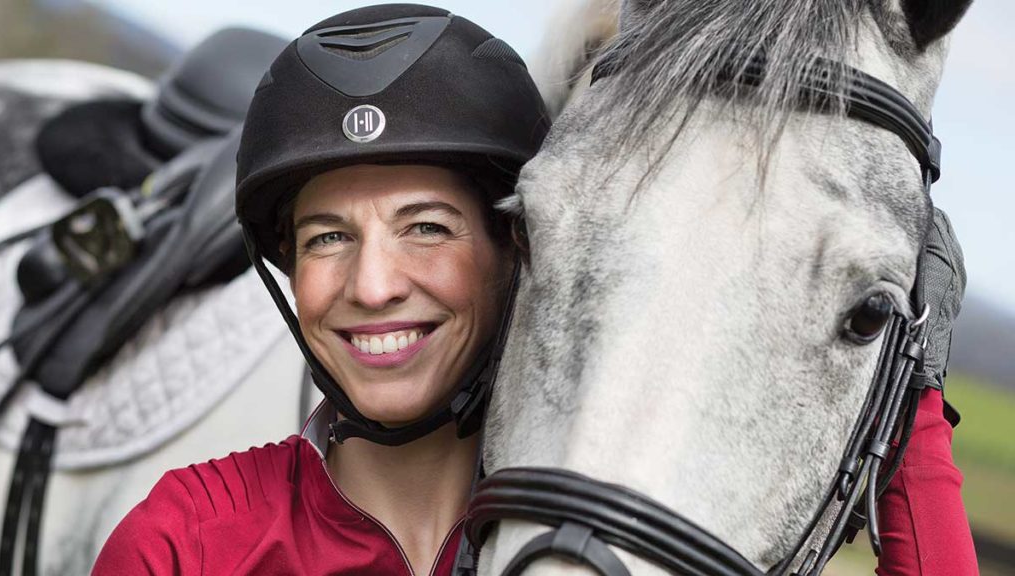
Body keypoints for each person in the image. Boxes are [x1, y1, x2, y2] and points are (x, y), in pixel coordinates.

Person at [91, 4, 976, 575]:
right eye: (328, 238)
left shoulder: (613, 520)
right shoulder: (181, 544)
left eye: (427, 227)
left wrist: (905, 352)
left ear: (516, 247)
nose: (371, 284)